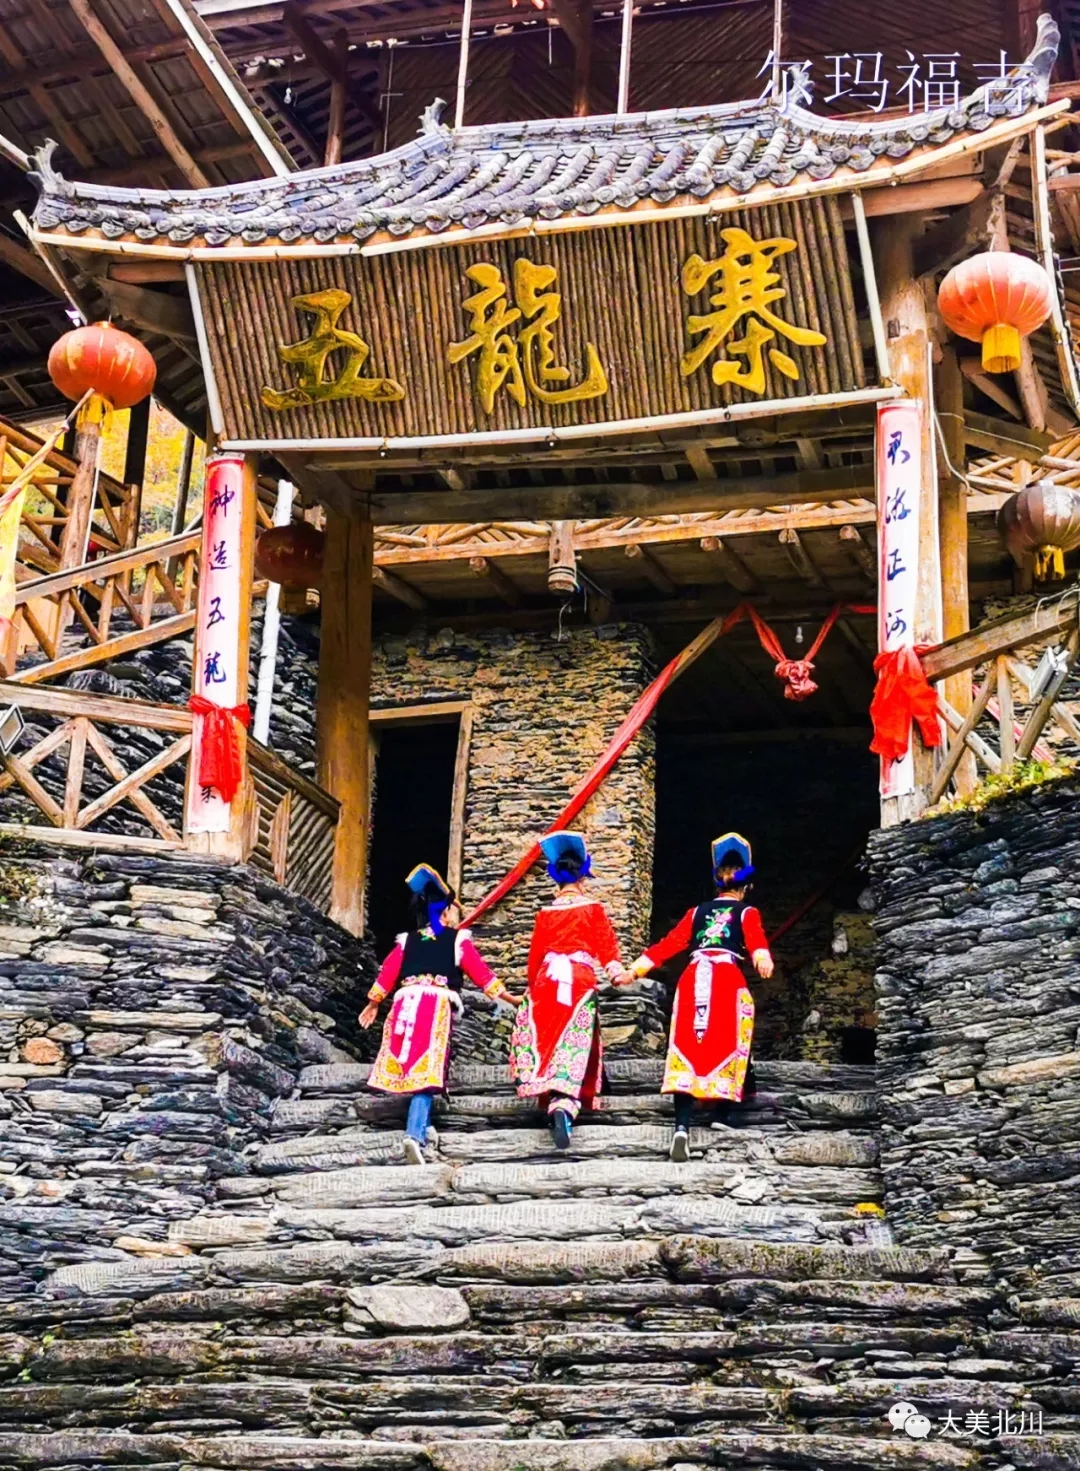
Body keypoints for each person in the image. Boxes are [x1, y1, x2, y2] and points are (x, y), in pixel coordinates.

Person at [627, 833, 774, 1162]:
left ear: (716, 880)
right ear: (747, 885)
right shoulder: (747, 913)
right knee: (729, 1039)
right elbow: (757, 943)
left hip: (693, 979)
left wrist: (633, 971)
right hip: (725, 980)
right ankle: (722, 1114)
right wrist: (762, 958)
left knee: (689, 1044)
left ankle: (681, 1128)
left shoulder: (696, 913)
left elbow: (668, 944)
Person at [359, 863, 516, 1164]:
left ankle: (424, 1123)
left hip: (405, 1005)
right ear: (444, 910)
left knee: (413, 1064)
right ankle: (414, 1133)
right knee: (429, 1068)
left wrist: (374, 1003)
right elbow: (482, 975)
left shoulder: (407, 941)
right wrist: (512, 998)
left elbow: (388, 972)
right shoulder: (457, 940)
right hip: (433, 1007)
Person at [509, 830, 631, 1149]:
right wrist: (616, 973)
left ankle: (553, 1096)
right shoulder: (592, 908)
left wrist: (531, 990)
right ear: (583, 875)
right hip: (577, 979)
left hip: (546, 981)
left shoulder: (545, 913)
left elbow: (535, 957)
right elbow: (607, 946)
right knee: (575, 1040)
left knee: (550, 1040)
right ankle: (564, 1104)